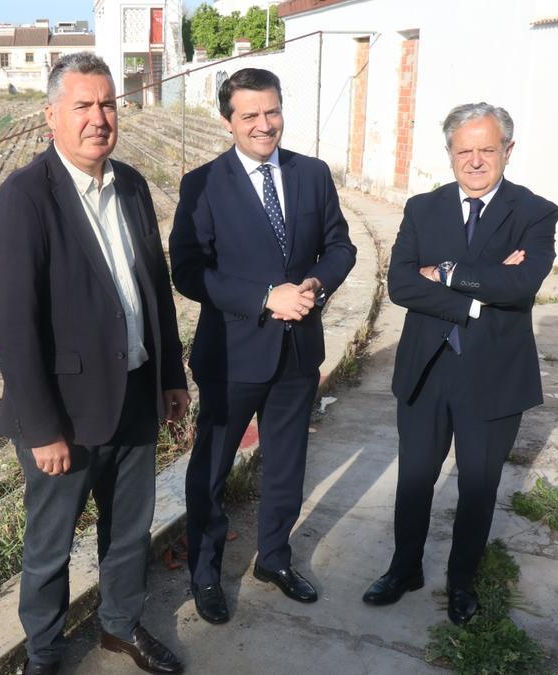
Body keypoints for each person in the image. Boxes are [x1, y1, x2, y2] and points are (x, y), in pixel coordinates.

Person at [0, 52, 189, 675]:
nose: (98, 118)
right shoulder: (24, 200)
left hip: (133, 393)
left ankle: (119, 627)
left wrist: (171, 377)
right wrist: (42, 427)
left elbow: (155, 286)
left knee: (129, 531)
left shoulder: (128, 185)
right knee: (50, 546)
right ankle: (44, 655)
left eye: (107, 104)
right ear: (52, 116)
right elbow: (13, 328)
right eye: (83, 105)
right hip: (64, 417)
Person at [170, 68, 357, 625]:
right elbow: (188, 271)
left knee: (286, 465)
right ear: (228, 120)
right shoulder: (202, 184)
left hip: (298, 352)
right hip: (232, 356)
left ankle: (273, 558)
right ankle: (205, 572)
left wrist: (315, 285)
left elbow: (340, 246)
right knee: (211, 469)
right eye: (249, 115)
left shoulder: (312, 174)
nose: (264, 124)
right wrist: (263, 297)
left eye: (271, 112)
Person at [363, 102, 558, 625]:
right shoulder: (422, 209)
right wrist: (477, 295)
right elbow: (401, 284)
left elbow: (521, 286)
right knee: (414, 479)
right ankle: (405, 568)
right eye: (464, 150)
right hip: (427, 369)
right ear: (449, 154)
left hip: (493, 376)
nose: (475, 161)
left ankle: (461, 580)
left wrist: (446, 271)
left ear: (508, 151)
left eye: (487, 150)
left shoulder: (535, 212)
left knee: (478, 485)